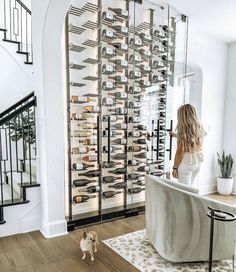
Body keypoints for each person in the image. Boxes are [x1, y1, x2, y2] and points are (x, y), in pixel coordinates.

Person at [170, 104, 206, 186]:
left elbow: (180, 152)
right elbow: (192, 142)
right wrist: (176, 136)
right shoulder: (199, 129)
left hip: (186, 165)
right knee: (190, 190)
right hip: (196, 164)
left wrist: (175, 168)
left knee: (184, 193)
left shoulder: (183, 132)